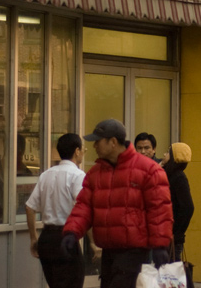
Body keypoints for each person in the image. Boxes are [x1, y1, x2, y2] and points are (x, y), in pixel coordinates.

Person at [62, 119, 173, 288]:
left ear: (112, 142)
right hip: (108, 252)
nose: (94, 146)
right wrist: (71, 232)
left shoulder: (149, 170)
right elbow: (84, 206)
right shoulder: (96, 173)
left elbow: (159, 210)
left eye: (97, 141)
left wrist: (160, 246)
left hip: (134, 252)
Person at [25, 133, 87, 288]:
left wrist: (34, 238)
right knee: (73, 281)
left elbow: (29, 207)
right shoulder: (78, 175)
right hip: (67, 238)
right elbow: (84, 205)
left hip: (46, 239)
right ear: (77, 151)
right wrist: (92, 242)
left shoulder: (46, 175)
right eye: (82, 149)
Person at [162, 142, 195, 262]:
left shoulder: (178, 177)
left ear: (174, 157)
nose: (164, 154)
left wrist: (177, 232)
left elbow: (188, 208)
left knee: (171, 274)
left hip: (172, 238)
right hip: (165, 234)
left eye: (168, 152)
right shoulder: (167, 174)